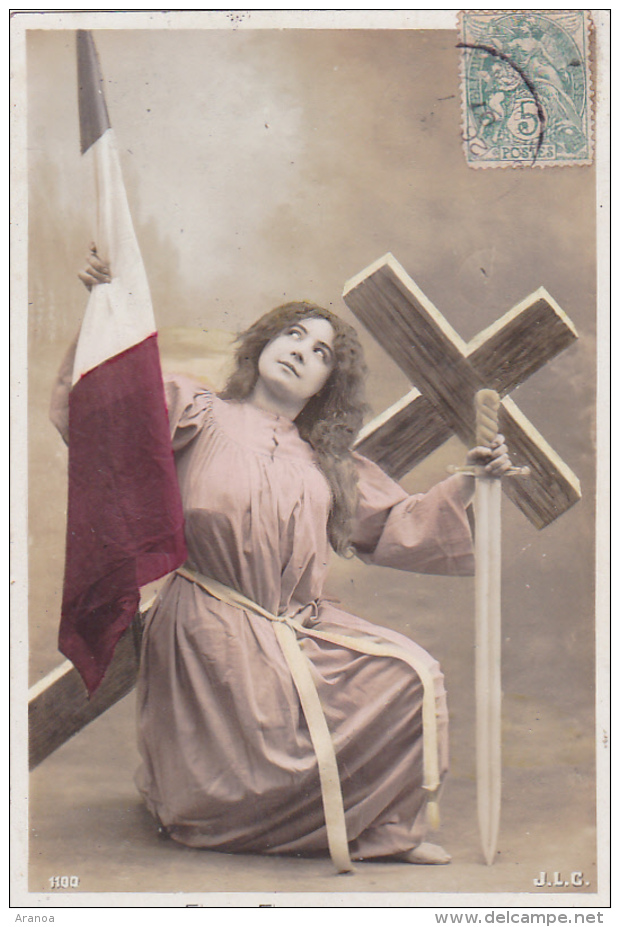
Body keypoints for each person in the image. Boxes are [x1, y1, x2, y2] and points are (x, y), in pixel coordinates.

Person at [56, 247, 511, 869]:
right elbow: (103, 410)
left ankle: (380, 831)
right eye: (293, 335)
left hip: (297, 624)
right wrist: (102, 310)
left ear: (328, 384)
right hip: (208, 628)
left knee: (408, 675)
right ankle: (258, 817)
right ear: (262, 345)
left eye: (322, 352)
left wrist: (467, 481)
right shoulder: (195, 413)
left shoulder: (332, 464)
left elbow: (402, 526)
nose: (302, 350)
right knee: (226, 789)